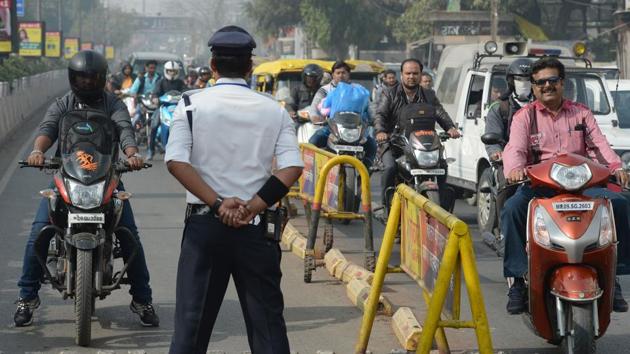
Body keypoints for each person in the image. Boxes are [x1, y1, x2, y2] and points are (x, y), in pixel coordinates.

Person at [165, 25, 303, 354]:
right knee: (268, 327)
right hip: (255, 230)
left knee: (191, 325)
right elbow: (291, 167)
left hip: (204, 228)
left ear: (213, 66)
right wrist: (253, 206)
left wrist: (217, 205)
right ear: (250, 66)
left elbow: (176, 162)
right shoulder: (274, 110)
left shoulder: (190, 105)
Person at [14, 50, 159, 328]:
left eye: (92, 78)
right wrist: (37, 151)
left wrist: (132, 154)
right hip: (66, 177)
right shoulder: (63, 103)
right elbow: (47, 130)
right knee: (38, 234)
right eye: (81, 78)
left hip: (107, 177)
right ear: (72, 78)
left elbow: (124, 129)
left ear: (102, 78)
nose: (87, 83)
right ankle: (26, 297)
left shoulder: (113, 104)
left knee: (130, 237)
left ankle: (142, 299)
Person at [501, 57, 630, 314]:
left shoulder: (581, 113)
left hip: (583, 184)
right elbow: (515, 148)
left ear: (562, 83)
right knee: (513, 208)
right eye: (540, 83)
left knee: (619, 204)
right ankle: (517, 280)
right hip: (541, 185)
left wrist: (617, 168)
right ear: (534, 87)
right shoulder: (524, 116)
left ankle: (615, 275)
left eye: (552, 81)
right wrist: (514, 170)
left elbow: (600, 146)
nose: (547, 86)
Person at [374, 58, 461, 207]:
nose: (411, 76)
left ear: (421, 75)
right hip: (395, 142)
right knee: (390, 168)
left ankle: (443, 206)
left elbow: (439, 112)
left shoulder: (429, 95)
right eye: (408, 73)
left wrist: (450, 128)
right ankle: (385, 205)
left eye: (415, 73)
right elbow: (380, 114)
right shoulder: (390, 94)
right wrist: (381, 131)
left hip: (423, 143)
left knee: (442, 166)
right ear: (401, 74)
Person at [483, 59, 534, 239]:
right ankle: (505, 232)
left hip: (539, 160)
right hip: (508, 160)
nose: (524, 84)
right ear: (511, 81)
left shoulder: (543, 105)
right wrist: (496, 153)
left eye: (528, 79)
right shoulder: (500, 107)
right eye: (520, 79)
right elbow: (491, 135)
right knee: (506, 185)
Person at [307, 61, 377, 169]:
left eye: (344, 73)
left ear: (349, 74)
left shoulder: (358, 90)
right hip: (332, 128)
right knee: (312, 142)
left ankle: (366, 171)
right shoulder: (325, 90)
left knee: (372, 145)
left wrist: (375, 120)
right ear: (332, 75)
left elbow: (370, 107)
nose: (341, 75)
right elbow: (314, 109)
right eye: (338, 73)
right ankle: (312, 172)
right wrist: (316, 118)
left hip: (356, 130)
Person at [147, 61, 186, 160]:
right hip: (163, 107)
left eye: (174, 71)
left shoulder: (180, 82)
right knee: (154, 125)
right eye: (169, 71)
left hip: (178, 108)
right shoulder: (161, 82)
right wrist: (155, 98)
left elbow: (186, 91)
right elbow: (155, 93)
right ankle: (151, 150)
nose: (171, 73)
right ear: (165, 71)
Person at [128, 60, 161, 126]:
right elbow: (132, 91)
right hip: (142, 103)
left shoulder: (160, 78)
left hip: (156, 103)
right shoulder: (141, 78)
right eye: (150, 68)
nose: (152, 70)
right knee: (136, 116)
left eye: (154, 68)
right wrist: (135, 95)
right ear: (146, 68)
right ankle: (132, 131)